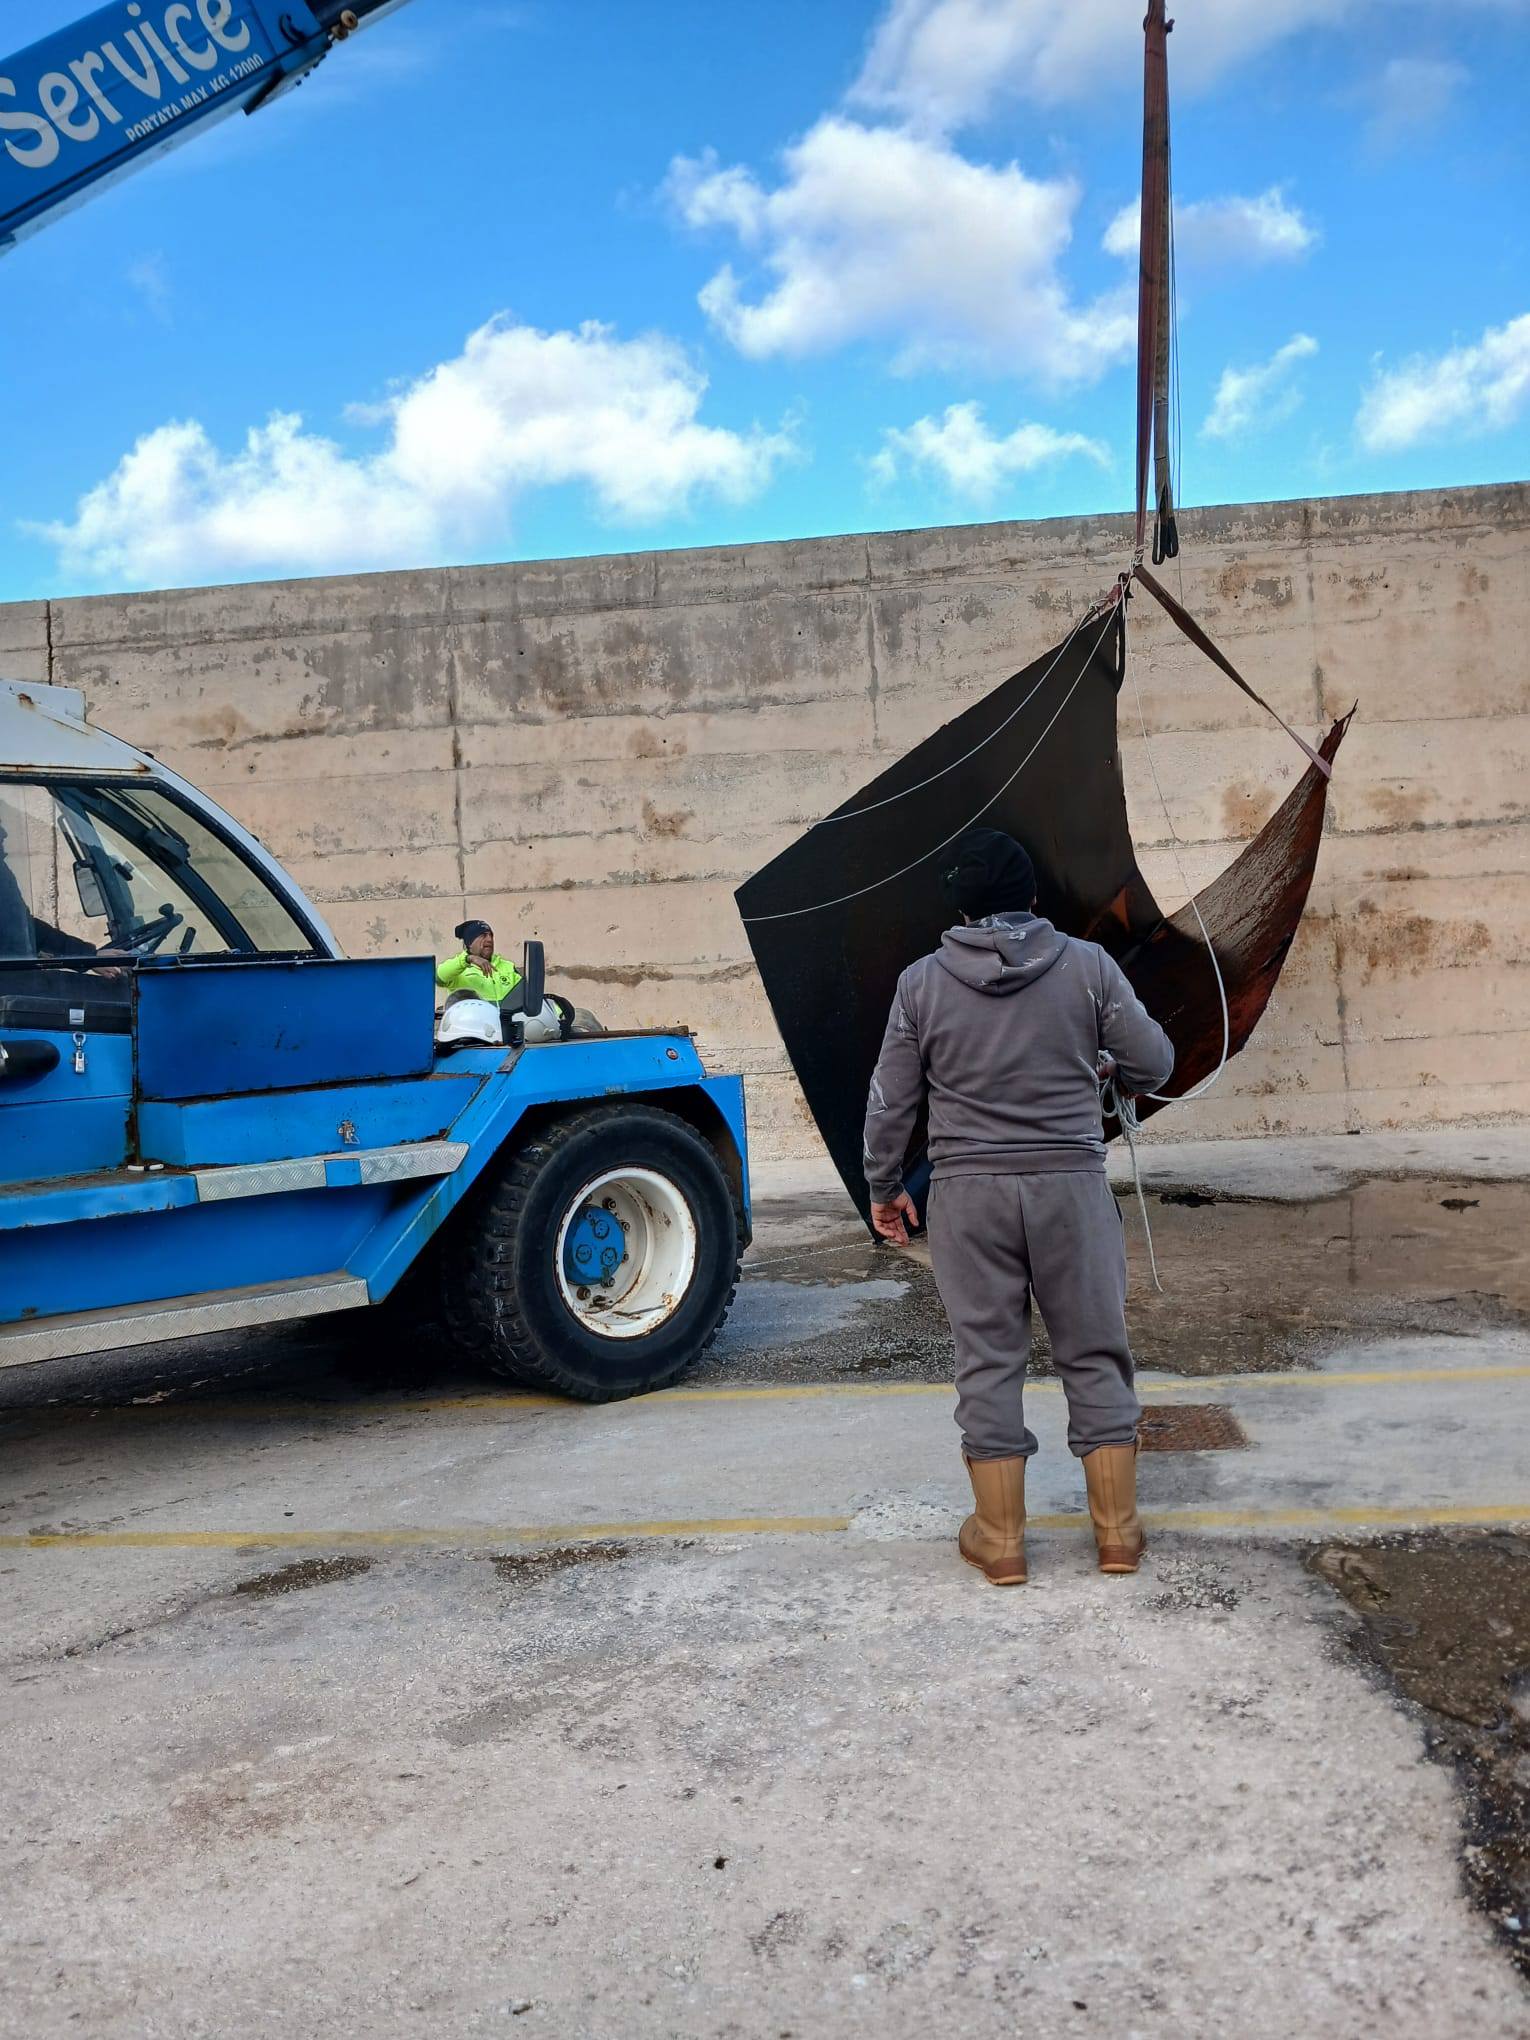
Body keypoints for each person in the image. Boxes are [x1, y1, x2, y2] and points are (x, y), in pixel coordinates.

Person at [862, 827, 1174, 1587]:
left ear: (959, 908)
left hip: (969, 1198)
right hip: (1070, 1186)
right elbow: (1154, 1062)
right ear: (1033, 897)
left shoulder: (921, 984)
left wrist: (884, 1185)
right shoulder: (1089, 967)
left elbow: (889, 1103)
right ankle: (1117, 1535)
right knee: (1095, 1350)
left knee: (989, 1361)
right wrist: (1099, 1062)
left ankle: (1001, 1540)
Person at [435, 919, 521, 1006]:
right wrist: (468, 959)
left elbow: (524, 995)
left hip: (503, 1019)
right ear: (470, 943)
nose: (489, 939)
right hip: (471, 1019)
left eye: (491, 935)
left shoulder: (508, 966)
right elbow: (439, 977)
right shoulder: (458, 968)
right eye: (483, 935)